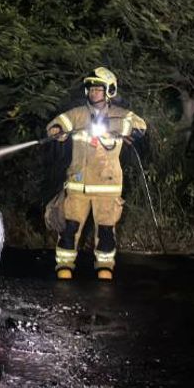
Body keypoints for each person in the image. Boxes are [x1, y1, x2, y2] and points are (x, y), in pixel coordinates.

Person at [45, 67, 147, 280]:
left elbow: (140, 125)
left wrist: (120, 129)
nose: (93, 92)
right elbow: (56, 124)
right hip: (77, 185)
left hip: (107, 187)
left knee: (106, 230)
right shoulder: (78, 114)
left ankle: (105, 266)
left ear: (109, 90)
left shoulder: (120, 115)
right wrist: (56, 131)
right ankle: (64, 265)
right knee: (69, 228)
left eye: (98, 89)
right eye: (91, 89)